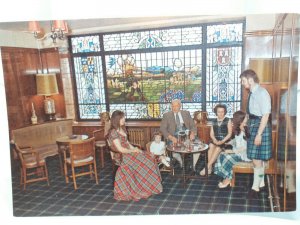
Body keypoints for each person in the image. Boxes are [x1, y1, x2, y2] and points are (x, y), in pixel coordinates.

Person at [107, 110, 163, 201]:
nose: (124, 119)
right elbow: (120, 149)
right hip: (122, 155)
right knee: (146, 161)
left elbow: (127, 143)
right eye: (122, 118)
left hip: (129, 152)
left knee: (150, 156)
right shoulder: (113, 132)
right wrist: (133, 150)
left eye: (123, 117)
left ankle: (149, 185)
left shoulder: (122, 128)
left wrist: (135, 149)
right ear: (117, 119)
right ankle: (145, 186)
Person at [240, 69, 272, 199]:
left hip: (260, 127)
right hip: (253, 125)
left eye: (243, 80)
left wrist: (259, 134)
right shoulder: (252, 93)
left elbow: (265, 115)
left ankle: (255, 188)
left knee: (256, 160)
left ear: (250, 80)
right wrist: (244, 122)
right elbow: (250, 112)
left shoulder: (262, 93)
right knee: (257, 158)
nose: (242, 83)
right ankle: (262, 183)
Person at [214, 110, 251, 188]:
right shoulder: (239, 130)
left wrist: (232, 151)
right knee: (221, 155)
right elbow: (236, 140)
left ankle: (227, 179)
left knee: (227, 157)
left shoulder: (246, 130)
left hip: (245, 154)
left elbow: (245, 147)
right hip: (238, 152)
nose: (246, 121)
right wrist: (229, 143)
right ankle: (226, 176)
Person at [160, 99, 199, 171]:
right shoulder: (166, 115)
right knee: (173, 150)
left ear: (180, 106)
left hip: (187, 135)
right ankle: (181, 162)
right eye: (173, 106)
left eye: (176, 106)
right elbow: (162, 129)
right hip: (174, 136)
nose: (174, 108)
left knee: (198, 147)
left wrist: (192, 133)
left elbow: (193, 126)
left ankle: (193, 165)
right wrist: (171, 137)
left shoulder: (186, 113)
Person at [199, 104, 232, 176]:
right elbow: (211, 134)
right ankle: (210, 168)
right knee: (210, 146)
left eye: (222, 112)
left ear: (225, 112)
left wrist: (222, 141)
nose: (220, 113)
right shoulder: (213, 121)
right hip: (215, 140)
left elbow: (229, 134)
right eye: (219, 112)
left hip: (225, 141)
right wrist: (214, 140)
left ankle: (207, 167)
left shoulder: (228, 120)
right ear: (216, 112)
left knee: (218, 148)